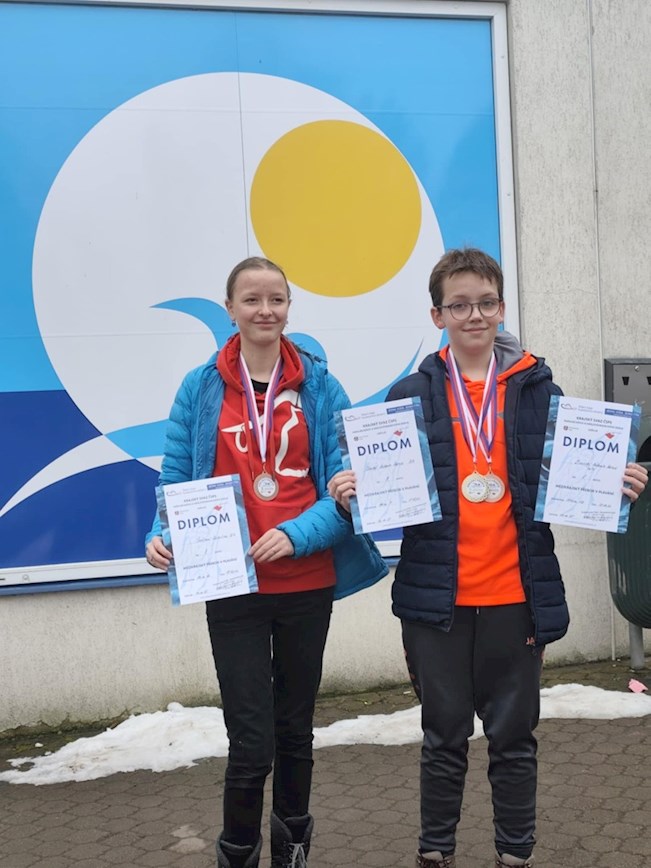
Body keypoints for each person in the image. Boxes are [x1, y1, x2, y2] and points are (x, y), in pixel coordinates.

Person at [328, 248, 649, 868]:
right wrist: (353, 493)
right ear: (437, 315)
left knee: (514, 740)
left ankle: (515, 855)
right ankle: (435, 854)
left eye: (485, 303)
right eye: (459, 305)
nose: (473, 315)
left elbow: (566, 479)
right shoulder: (410, 394)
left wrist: (614, 481)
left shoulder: (539, 390)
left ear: (501, 308)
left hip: (515, 597)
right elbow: (389, 495)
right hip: (437, 603)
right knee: (443, 738)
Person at [145, 256, 387, 868]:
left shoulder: (322, 388)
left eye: (276, 299)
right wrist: (160, 534)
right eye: (251, 299)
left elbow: (345, 490)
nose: (265, 309)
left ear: (288, 307)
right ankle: (237, 852)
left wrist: (297, 535)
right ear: (230, 309)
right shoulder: (202, 387)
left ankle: (293, 850)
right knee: (251, 741)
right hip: (233, 586)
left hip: (306, 584)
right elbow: (176, 476)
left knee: (295, 732)